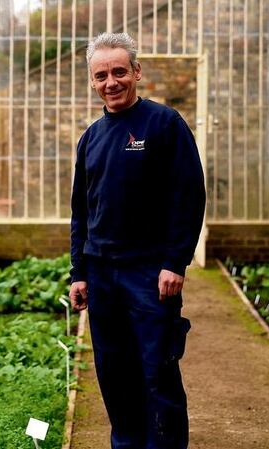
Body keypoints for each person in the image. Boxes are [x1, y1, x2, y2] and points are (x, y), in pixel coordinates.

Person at [69, 32, 206, 449]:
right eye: (101, 75)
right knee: (114, 374)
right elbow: (81, 212)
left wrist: (175, 261)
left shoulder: (165, 125)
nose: (111, 82)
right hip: (103, 276)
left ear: (136, 72)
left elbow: (189, 195)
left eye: (118, 71)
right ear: (92, 82)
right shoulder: (91, 138)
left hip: (150, 274)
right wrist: (79, 272)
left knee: (157, 372)